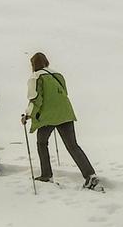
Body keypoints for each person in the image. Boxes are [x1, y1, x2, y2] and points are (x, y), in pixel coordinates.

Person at [22, 51, 98, 189]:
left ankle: (46, 175)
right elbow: (64, 93)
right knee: (73, 145)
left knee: (42, 143)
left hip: (48, 116)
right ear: (46, 61)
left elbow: (35, 99)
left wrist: (27, 115)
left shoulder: (35, 77)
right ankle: (90, 175)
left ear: (33, 64)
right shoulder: (57, 74)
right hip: (66, 113)